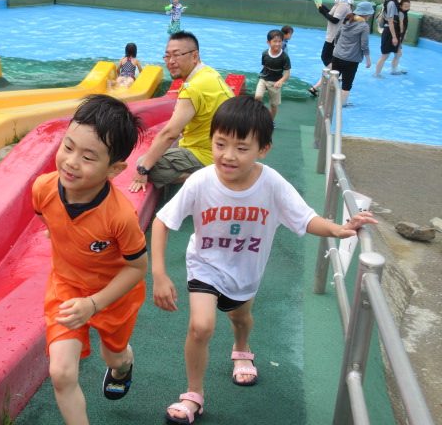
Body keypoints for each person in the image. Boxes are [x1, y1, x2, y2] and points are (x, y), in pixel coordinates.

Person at [152, 96, 378, 424]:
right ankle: (193, 394)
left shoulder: (271, 184)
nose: (228, 155)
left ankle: (241, 349)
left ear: (264, 149)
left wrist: (339, 229)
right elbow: (162, 221)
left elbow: (305, 218)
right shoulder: (201, 181)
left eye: (242, 148)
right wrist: (159, 273)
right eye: (220, 144)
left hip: (246, 271)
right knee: (201, 326)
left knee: (240, 317)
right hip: (205, 265)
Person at [32, 94, 149, 425]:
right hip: (67, 287)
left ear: (114, 169)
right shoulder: (43, 188)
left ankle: (123, 366)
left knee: (113, 356)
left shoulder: (119, 216)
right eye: (68, 147)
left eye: (87, 157)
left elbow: (138, 267)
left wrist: (95, 303)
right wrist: (57, 234)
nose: (71, 162)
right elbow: (45, 216)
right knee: (61, 372)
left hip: (114, 296)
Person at [128, 31, 234, 193]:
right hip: (225, 151)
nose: (171, 61)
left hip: (209, 155)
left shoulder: (193, 88)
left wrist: (143, 170)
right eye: (167, 56)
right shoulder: (209, 73)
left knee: (144, 162)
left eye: (177, 55)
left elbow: (170, 133)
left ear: (195, 56)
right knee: (163, 148)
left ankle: (211, 177)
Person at [308, 0, 354, 97]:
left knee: (326, 58)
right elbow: (333, 15)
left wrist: (323, 12)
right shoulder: (341, 3)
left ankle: (338, 74)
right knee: (333, 62)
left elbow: (334, 19)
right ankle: (317, 87)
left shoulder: (343, 5)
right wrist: (323, 9)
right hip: (334, 36)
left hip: (334, 37)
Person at [331, 1, 374, 107]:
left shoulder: (347, 20)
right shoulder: (364, 26)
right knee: (347, 83)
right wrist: (368, 59)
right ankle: (343, 104)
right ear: (366, 14)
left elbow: (337, 35)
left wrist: (336, 47)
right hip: (351, 59)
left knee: (333, 79)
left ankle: (328, 100)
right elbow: (364, 44)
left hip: (337, 55)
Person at [254, 29, 291, 123]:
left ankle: (270, 121)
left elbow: (287, 73)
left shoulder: (284, 57)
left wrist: (280, 81)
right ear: (268, 42)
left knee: (274, 105)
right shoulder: (265, 53)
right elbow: (264, 66)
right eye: (274, 41)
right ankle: (258, 117)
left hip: (275, 83)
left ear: (282, 42)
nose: (277, 44)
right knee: (257, 97)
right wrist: (263, 76)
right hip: (263, 79)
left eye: (279, 41)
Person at [374, 0, 407, 79]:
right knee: (385, 55)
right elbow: (390, 20)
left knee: (398, 52)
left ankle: (393, 70)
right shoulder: (391, 3)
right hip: (390, 32)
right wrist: (394, 37)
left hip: (394, 31)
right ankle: (377, 73)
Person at [388, 0, 410, 76]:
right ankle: (393, 70)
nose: (407, 8)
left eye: (408, 6)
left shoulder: (404, 13)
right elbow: (401, 24)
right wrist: (401, 32)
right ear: (400, 6)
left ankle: (395, 68)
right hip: (399, 35)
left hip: (400, 35)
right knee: (398, 53)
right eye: (406, 7)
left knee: (399, 53)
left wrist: (404, 33)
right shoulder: (401, 13)